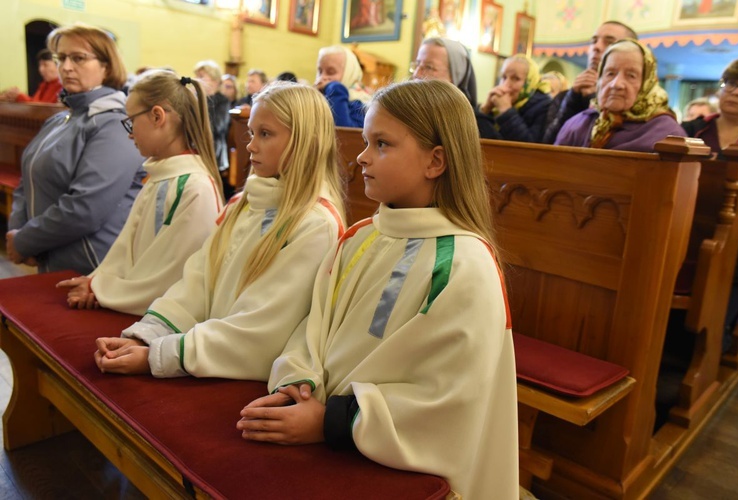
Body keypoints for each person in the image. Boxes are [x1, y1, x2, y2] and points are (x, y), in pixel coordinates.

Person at [237, 80, 518, 500]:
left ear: (435, 160)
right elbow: (313, 330)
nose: (361, 158)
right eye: (366, 142)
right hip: (330, 428)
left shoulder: (464, 265)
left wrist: (328, 422)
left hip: (388, 460)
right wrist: (299, 386)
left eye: (381, 144)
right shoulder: (358, 238)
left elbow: (448, 402)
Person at [92, 82, 346, 380]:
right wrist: (146, 336)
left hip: (239, 372)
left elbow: (261, 330)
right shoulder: (242, 203)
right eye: (251, 132)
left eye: (265, 134)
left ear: (307, 142)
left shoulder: (315, 224)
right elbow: (197, 281)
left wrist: (159, 356)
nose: (250, 145)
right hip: (205, 356)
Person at [55, 70, 225, 315]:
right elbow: (127, 249)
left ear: (157, 116)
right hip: (134, 304)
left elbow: (175, 277)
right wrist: (96, 283)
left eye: (131, 121)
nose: (130, 133)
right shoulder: (161, 177)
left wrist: (104, 291)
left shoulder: (195, 187)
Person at [6, 23, 144, 275]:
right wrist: (17, 232)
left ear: (107, 66)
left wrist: (25, 241)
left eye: (78, 58)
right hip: (51, 260)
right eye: (61, 58)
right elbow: (26, 181)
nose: (66, 67)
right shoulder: (59, 119)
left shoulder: (115, 125)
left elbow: (85, 208)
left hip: (90, 270)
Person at [682, 55, 738, 352]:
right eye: (731, 84)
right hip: (688, 232)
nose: (736, 92)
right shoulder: (692, 130)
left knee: (707, 339)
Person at [555, 39, 686, 152]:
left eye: (631, 76)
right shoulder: (578, 124)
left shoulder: (667, 134)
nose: (616, 84)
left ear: (647, 84)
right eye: (610, 73)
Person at [543, 20, 637, 144]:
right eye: (594, 41)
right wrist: (573, 98)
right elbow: (547, 145)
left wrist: (594, 98)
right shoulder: (564, 97)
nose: (596, 47)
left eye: (609, 42)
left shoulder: (635, 103)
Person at [477, 54, 552, 143]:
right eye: (504, 77)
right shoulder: (496, 103)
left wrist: (506, 111)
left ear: (530, 81)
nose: (506, 84)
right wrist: (485, 110)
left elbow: (530, 148)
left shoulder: (545, 106)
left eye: (516, 79)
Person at [194, 60, 232, 198]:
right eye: (197, 76)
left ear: (215, 81)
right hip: (196, 145)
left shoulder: (222, 101)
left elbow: (218, 127)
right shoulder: (197, 98)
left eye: (202, 76)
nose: (198, 80)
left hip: (214, 148)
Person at [315, 45, 370, 127]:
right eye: (320, 71)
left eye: (331, 72)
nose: (322, 77)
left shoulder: (359, 104)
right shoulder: (319, 98)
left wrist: (336, 88)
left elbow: (344, 133)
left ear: (349, 73)